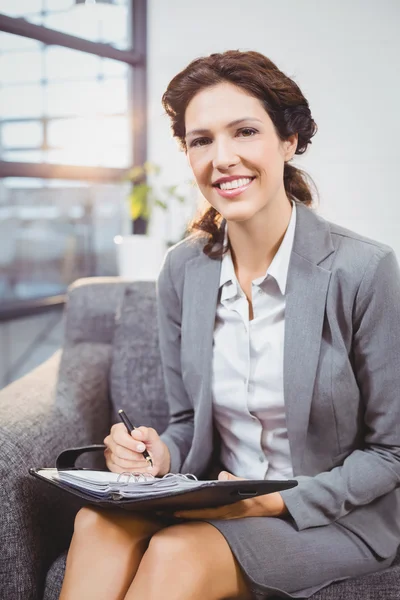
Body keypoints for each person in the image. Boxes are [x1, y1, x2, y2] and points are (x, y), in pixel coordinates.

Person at [59, 50, 400, 600]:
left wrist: (270, 500)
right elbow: (186, 421)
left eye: (244, 131)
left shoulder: (364, 269)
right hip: (213, 500)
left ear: (288, 141)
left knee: (177, 552)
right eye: (201, 140)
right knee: (96, 523)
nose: (223, 158)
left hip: (330, 516)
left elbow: (391, 453)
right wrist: (156, 455)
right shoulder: (183, 269)